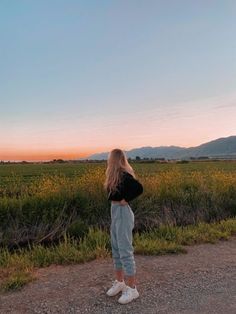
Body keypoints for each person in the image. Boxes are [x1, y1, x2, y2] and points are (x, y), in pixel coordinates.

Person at [104, 148, 143, 304]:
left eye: (110, 157)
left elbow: (139, 188)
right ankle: (120, 283)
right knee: (116, 248)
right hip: (115, 212)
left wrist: (126, 200)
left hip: (123, 213)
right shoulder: (114, 176)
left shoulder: (124, 175)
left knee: (125, 250)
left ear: (114, 159)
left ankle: (132, 289)